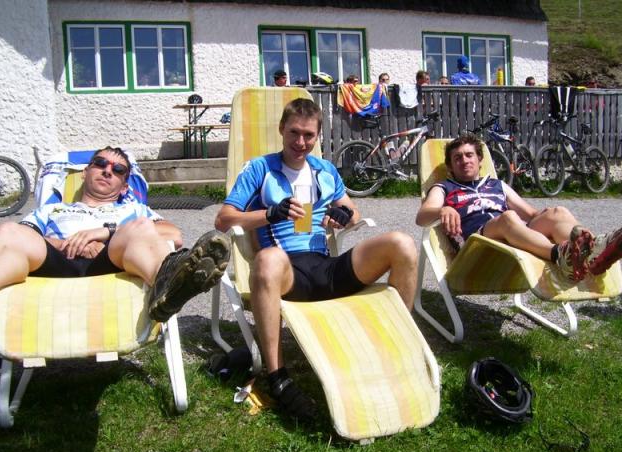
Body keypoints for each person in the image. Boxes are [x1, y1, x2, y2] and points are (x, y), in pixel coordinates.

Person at [215, 99, 418, 421]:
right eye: (294, 133)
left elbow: (352, 211)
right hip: (287, 272)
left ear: (317, 135)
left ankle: (399, 347)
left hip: (325, 267)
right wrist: (270, 213)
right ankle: (278, 378)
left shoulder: (325, 170)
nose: (300, 142)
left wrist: (344, 215)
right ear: (281, 130)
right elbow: (224, 219)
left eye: (308, 135)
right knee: (267, 259)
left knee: (402, 243)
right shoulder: (259, 169)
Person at [0, 147, 230, 334]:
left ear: (124, 187)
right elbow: (24, 236)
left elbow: (173, 235)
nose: (107, 170)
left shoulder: (134, 209)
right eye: (100, 163)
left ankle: (170, 285)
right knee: (9, 231)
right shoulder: (51, 210)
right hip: (53, 261)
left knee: (141, 227)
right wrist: (68, 244)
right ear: (85, 173)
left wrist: (105, 232)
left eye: (118, 170)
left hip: (112, 260)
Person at [416, 134, 622, 282]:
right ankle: (560, 256)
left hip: (511, 234)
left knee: (558, 212)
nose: (464, 160)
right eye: (457, 157)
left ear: (480, 160)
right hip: (476, 246)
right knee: (508, 218)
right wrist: (442, 210)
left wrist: (550, 217)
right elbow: (422, 217)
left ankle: (594, 251)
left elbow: (531, 214)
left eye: (469, 155)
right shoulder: (445, 187)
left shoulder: (497, 185)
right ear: (450, 167)